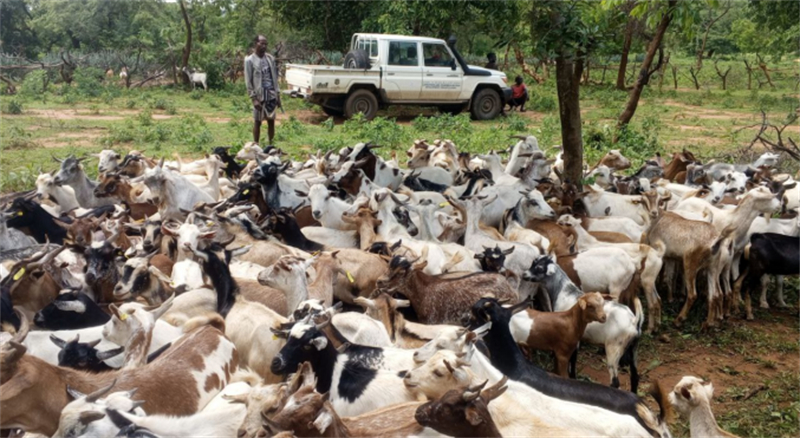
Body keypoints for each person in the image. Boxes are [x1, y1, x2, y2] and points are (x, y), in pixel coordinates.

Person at [244, 35, 282, 146]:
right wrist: (253, 98)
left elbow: (274, 78)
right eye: (261, 43)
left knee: (271, 121)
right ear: (256, 43)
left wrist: (278, 96)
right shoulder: (250, 60)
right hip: (259, 95)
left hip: (271, 94)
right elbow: (248, 81)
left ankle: (271, 146)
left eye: (265, 44)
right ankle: (256, 145)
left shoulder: (270, 59)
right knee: (257, 121)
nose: (264, 46)